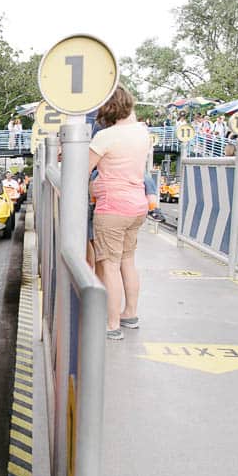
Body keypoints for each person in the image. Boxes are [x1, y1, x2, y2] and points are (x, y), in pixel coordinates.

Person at [88, 86, 150, 340]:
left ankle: (111, 324)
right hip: (137, 205)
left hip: (112, 207)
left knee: (109, 266)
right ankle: (130, 313)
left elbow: (80, 170)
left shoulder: (105, 137)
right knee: (127, 261)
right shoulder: (142, 133)